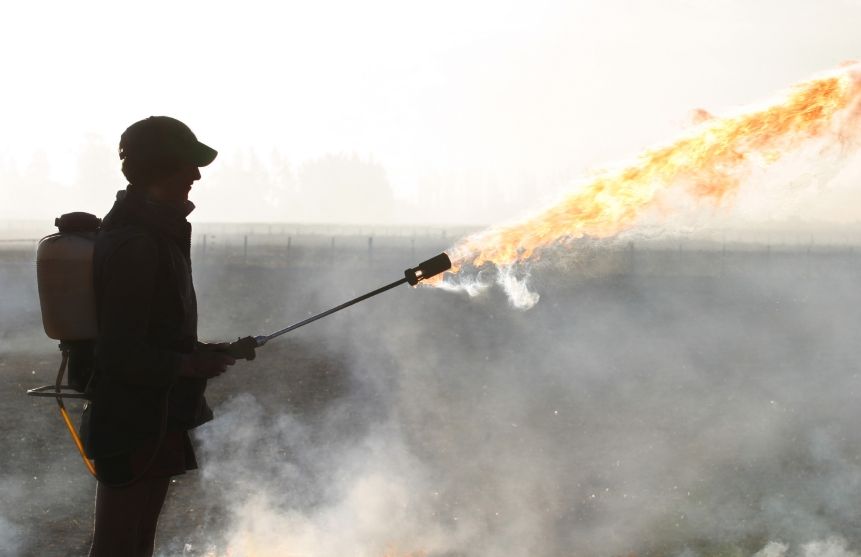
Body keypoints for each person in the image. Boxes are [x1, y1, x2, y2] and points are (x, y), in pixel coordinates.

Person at [83, 116, 245, 556]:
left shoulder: (155, 235)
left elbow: (153, 332)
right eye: (187, 165)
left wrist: (204, 351)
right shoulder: (137, 244)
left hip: (152, 414)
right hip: (131, 420)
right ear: (160, 166)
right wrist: (191, 365)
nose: (196, 175)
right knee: (118, 547)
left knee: (136, 546)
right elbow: (119, 354)